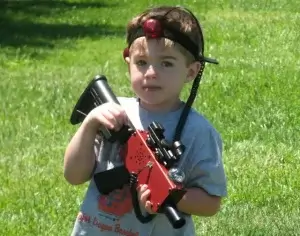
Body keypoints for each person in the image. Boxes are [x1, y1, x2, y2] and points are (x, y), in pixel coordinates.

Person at [64, 5, 227, 236]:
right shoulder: (114, 112)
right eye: (141, 62)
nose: (151, 73)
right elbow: (73, 175)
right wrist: (90, 124)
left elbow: (211, 203)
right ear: (128, 62)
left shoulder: (198, 131)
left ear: (191, 72)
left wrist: (172, 196)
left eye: (166, 63)